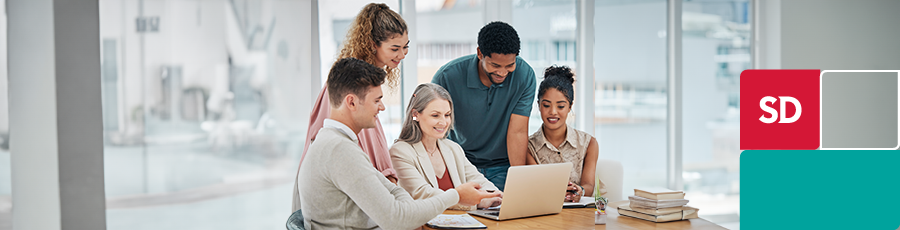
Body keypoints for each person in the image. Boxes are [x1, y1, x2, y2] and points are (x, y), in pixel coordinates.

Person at [298, 58, 499, 230]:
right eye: (377, 100)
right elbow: (397, 219)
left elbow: (395, 193)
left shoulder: (334, 142)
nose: (382, 107)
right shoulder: (339, 150)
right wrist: (455, 195)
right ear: (351, 102)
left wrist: (401, 205)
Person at [293, 3, 409, 212]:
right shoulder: (352, 86)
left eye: (405, 47)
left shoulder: (368, 84)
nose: (402, 55)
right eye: (395, 49)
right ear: (374, 44)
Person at [431, 21, 536, 191]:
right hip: (460, 165)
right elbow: (434, 130)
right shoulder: (447, 77)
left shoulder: (524, 76)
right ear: (480, 53)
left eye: (509, 65)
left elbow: (517, 132)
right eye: (495, 65)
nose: (502, 72)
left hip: (502, 167)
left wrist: (519, 182)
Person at [390, 83, 503, 211]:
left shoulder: (453, 148)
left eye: (447, 115)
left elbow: (478, 180)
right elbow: (422, 194)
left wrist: (496, 195)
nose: (443, 122)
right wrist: (476, 203)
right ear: (415, 115)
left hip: (459, 222)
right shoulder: (400, 152)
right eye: (435, 115)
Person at [525, 65, 605, 202]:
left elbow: (589, 186)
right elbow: (536, 187)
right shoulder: (528, 147)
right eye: (546, 105)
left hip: (578, 215)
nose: (553, 112)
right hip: (544, 213)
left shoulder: (589, 143)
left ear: (570, 107)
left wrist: (581, 190)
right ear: (538, 105)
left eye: (561, 106)